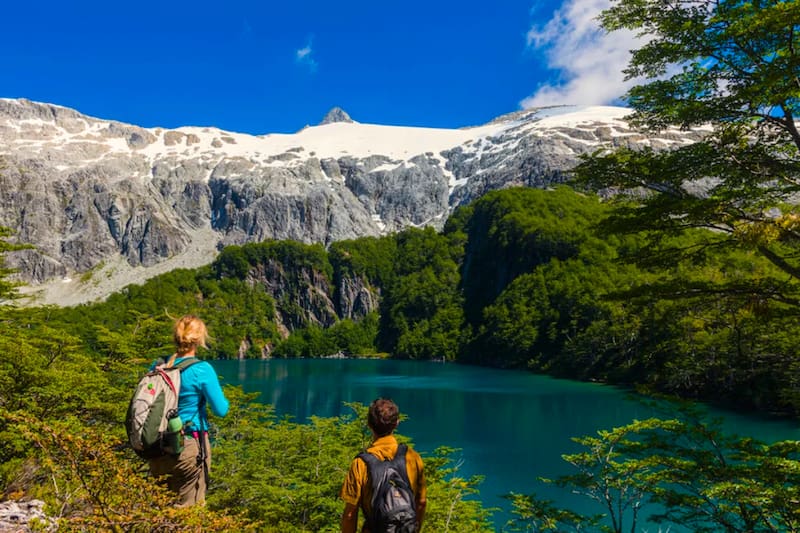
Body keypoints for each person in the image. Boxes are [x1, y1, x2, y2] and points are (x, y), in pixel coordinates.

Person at [148, 315, 229, 506]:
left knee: (161, 508)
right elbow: (221, 410)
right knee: (189, 511)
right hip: (188, 444)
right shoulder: (201, 369)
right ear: (199, 339)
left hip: (157, 447)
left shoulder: (158, 365)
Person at [340, 398, 427, 532]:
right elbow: (421, 503)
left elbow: (350, 515)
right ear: (397, 423)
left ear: (369, 424)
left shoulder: (361, 463)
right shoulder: (412, 457)